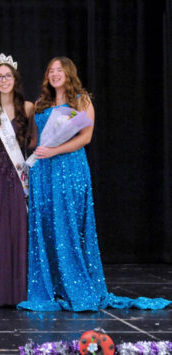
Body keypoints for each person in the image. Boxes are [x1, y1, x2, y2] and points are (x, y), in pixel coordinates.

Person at [17, 57, 171, 311]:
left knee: (68, 224)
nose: (54, 74)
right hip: (43, 171)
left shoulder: (82, 100)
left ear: (69, 73)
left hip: (70, 167)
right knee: (46, 224)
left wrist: (56, 150)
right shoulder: (40, 104)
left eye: (59, 70)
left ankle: (75, 285)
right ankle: (52, 287)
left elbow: (85, 137)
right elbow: (34, 140)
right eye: (50, 71)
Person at [0, 54, 36, 306]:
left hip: (18, 176)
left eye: (8, 76)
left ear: (15, 79)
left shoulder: (28, 108)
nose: (4, 80)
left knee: (18, 228)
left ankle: (19, 290)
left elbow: (34, 143)